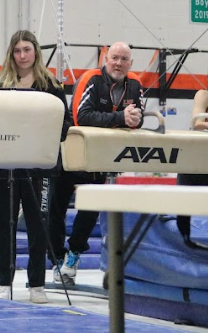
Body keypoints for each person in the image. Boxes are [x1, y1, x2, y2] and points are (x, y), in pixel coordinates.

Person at [51, 41, 144, 284]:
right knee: (55, 208)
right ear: (106, 58)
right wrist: (120, 118)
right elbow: (82, 117)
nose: (119, 63)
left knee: (90, 210)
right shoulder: (90, 79)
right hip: (71, 154)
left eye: (124, 59)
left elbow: (138, 118)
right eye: (115, 57)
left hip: (101, 157)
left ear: (130, 64)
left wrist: (132, 120)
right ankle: (55, 257)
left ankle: (73, 255)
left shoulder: (134, 84)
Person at [0, 31, 70, 303]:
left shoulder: (52, 86)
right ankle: (3, 281)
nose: (22, 56)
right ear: (11, 55)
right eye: (17, 51)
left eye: (26, 50)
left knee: (38, 225)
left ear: (36, 51)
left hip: (39, 166)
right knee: (4, 225)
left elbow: (65, 126)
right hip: (5, 164)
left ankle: (37, 283)